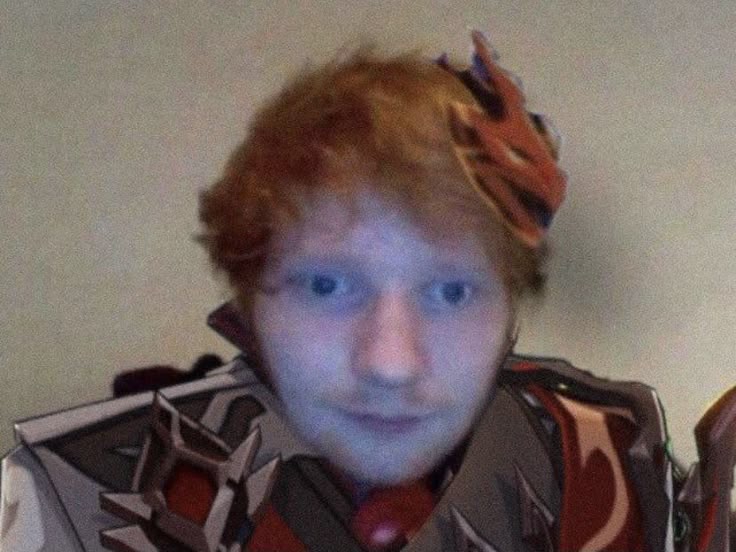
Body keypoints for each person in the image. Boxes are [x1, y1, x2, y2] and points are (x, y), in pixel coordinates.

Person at [1, 30, 734, 552]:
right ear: (250, 297)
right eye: (328, 285)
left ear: (510, 308)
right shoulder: (67, 502)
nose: (390, 362)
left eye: (451, 292)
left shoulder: (608, 465)